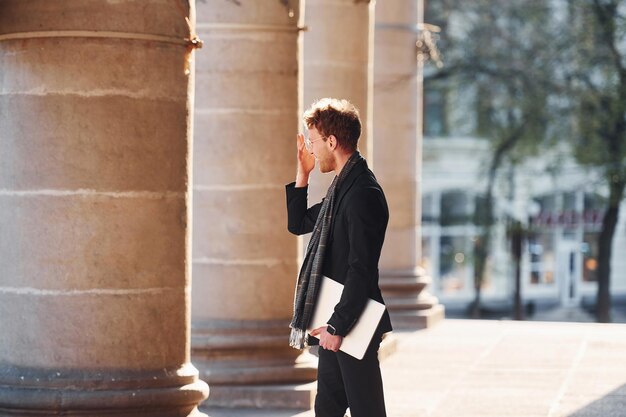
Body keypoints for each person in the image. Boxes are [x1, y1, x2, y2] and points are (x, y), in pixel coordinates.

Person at [285, 98, 392, 417]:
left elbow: (361, 269)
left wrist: (337, 326)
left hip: (350, 321)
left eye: (314, 142)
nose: (312, 150)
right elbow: (298, 224)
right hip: (335, 318)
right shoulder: (340, 192)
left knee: (367, 410)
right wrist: (302, 175)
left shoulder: (362, 195)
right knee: (328, 408)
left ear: (332, 141)